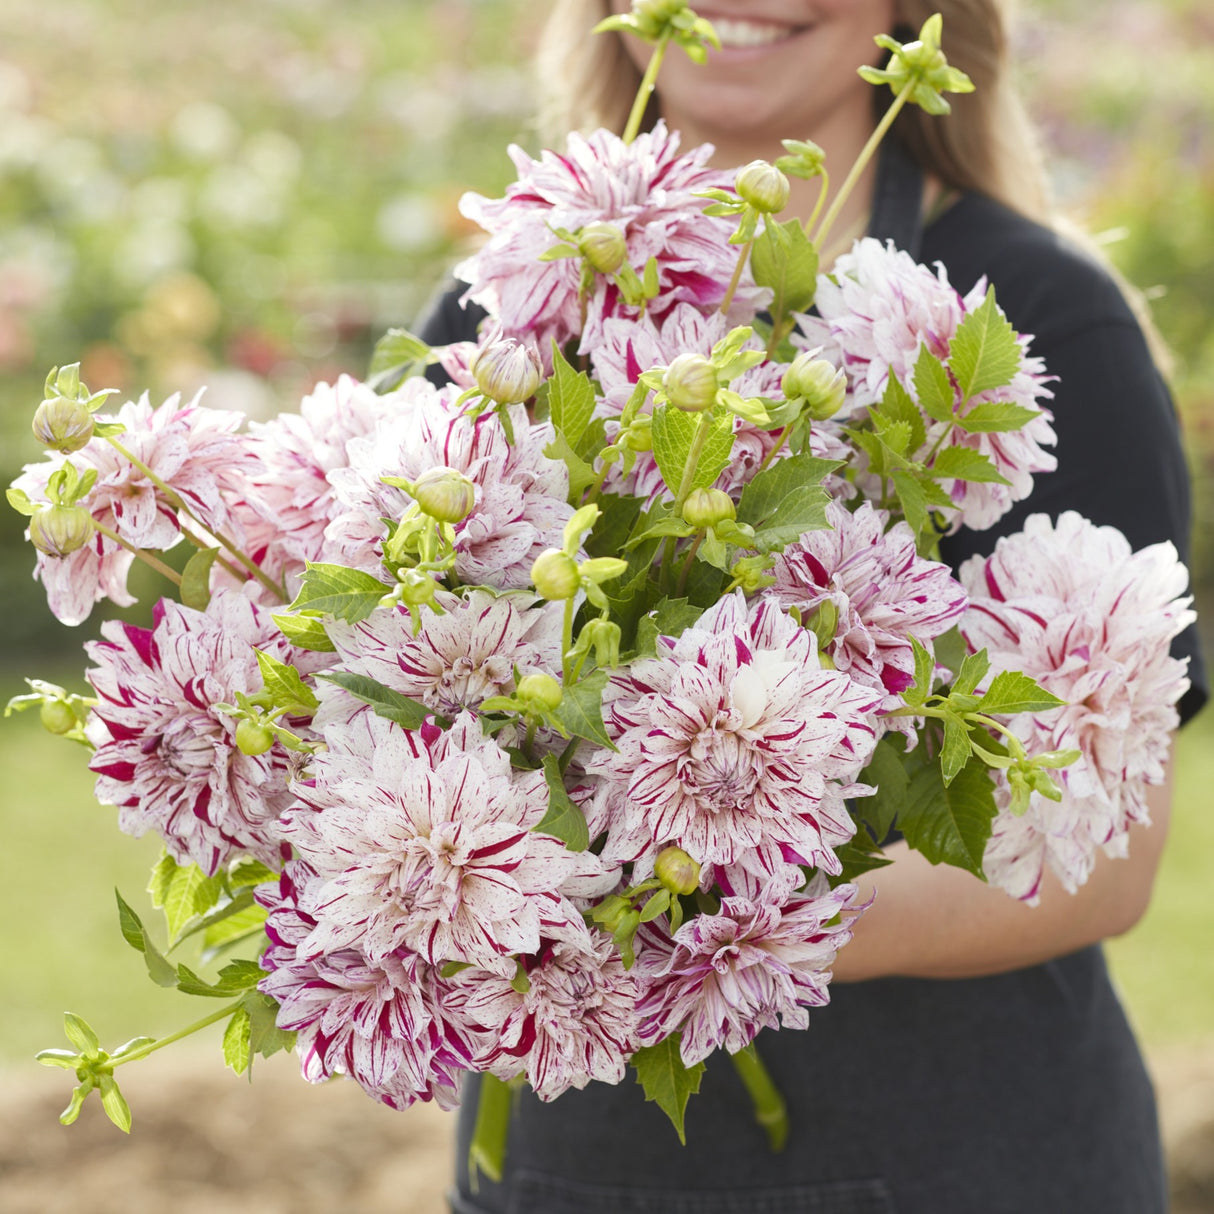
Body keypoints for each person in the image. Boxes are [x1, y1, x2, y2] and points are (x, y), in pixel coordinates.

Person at [419, 2, 1209, 1210]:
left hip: (962, 1158)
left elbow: (1104, 862)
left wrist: (700, 932)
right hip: (576, 1166)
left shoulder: (1037, 319)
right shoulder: (505, 315)